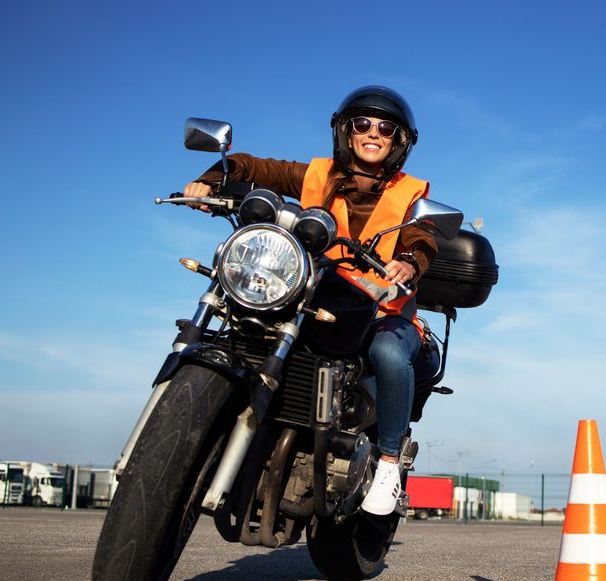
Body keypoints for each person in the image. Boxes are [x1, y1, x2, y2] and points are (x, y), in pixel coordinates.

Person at [182, 85, 437, 516]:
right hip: (312, 298)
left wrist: (411, 261)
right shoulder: (317, 174)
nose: (373, 133)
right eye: (362, 123)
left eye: (385, 128)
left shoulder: (410, 193)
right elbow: (251, 166)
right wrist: (211, 182)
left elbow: (421, 234)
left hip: (380, 313)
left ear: (399, 141)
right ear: (345, 131)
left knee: (390, 353)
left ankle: (389, 467)